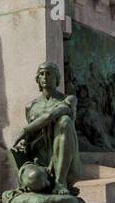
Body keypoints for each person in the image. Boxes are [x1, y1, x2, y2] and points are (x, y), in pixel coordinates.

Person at [9, 63, 80, 195]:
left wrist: (25, 130)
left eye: (48, 73)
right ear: (38, 79)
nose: (45, 77)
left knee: (64, 121)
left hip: (66, 163)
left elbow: (50, 116)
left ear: (57, 78)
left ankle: (60, 182)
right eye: (41, 74)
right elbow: (32, 138)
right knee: (34, 179)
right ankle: (44, 182)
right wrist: (24, 144)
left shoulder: (69, 99)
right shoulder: (30, 106)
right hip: (39, 161)